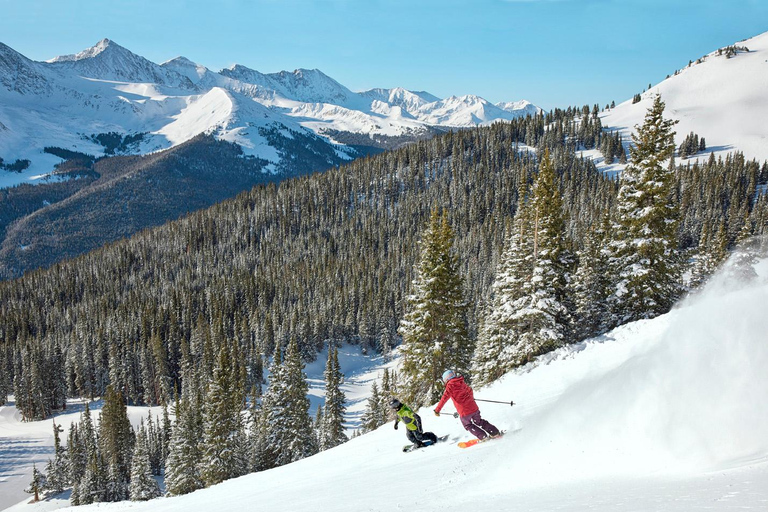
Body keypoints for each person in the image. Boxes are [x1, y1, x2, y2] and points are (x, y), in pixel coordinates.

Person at [434, 369, 500, 440]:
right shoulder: (461, 382)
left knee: (468, 425)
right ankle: (494, 432)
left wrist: (437, 410)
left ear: (446, 379)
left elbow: (444, 398)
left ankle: (483, 436)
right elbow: (470, 390)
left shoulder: (450, 386)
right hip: (473, 407)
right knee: (479, 421)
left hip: (464, 411)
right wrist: (471, 398)